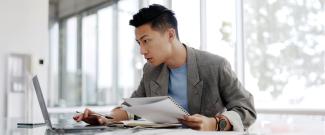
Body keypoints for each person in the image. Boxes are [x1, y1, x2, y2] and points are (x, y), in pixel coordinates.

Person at [73, 4, 256, 131]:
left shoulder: (215, 65)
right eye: (139, 43)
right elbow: (132, 106)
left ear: (170, 34)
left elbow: (246, 109)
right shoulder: (151, 70)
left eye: (146, 41)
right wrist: (105, 118)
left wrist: (214, 124)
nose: (142, 50)